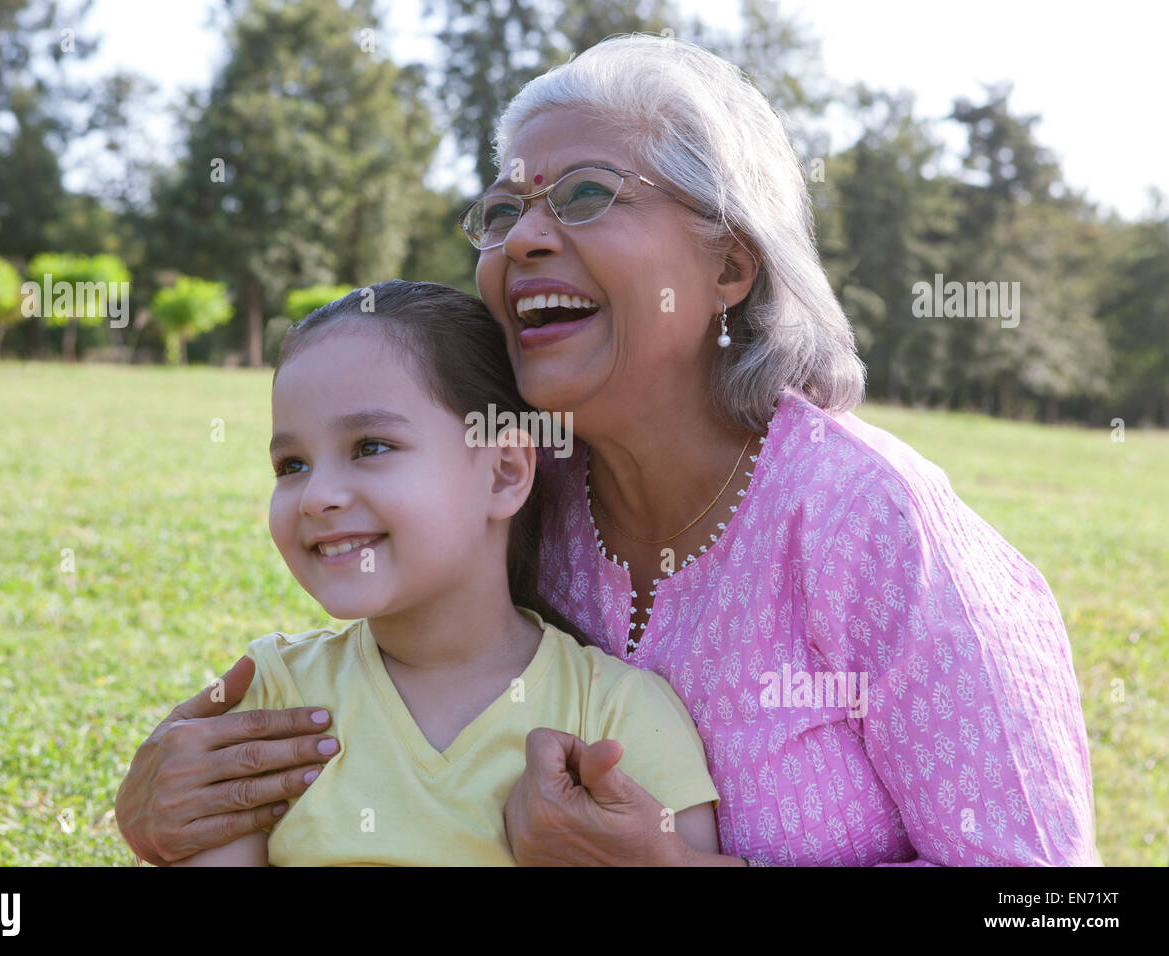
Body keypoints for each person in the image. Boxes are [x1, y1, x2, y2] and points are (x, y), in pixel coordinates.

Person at [117, 34, 1096, 866]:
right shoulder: (526, 485)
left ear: (726, 262)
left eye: (584, 194)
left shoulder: (876, 524)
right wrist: (160, 806)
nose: (523, 239)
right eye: (502, 212)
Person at [169, 279, 720, 865]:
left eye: (371, 446)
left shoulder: (616, 715)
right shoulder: (271, 700)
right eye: (292, 464)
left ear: (504, 472)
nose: (316, 496)